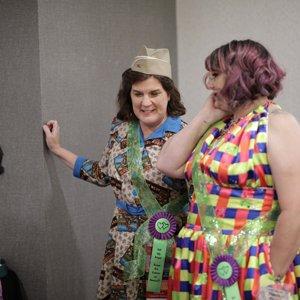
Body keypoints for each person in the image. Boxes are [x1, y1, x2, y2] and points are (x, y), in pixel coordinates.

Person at [157, 39, 300, 299]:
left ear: (239, 76)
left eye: (215, 75)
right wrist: (206, 114)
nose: (209, 84)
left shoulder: (278, 123)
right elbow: (167, 164)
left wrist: (272, 274)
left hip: (249, 263)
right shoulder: (221, 126)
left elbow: (296, 210)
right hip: (198, 258)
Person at [42, 46, 188, 300]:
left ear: (169, 94)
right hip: (121, 241)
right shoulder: (120, 130)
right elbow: (102, 174)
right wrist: (57, 149)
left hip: (165, 244)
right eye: (137, 93)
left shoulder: (185, 135)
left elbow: (199, 196)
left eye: (154, 93)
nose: (145, 102)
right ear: (128, 95)